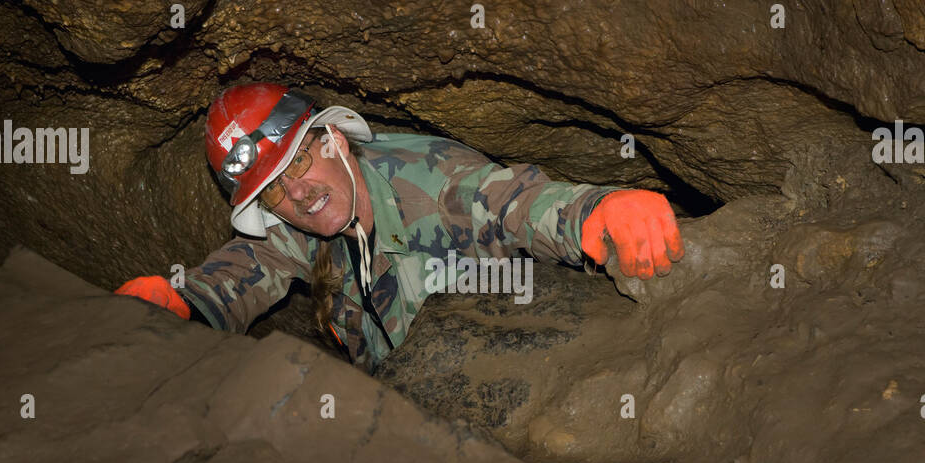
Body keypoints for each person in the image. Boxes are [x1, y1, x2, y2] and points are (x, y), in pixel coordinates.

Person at [116, 82, 685, 373]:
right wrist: (180, 302)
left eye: (298, 164)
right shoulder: (299, 224)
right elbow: (248, 266)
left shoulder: (430, 180)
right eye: (273, 192)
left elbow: (508, 199)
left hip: (510, 384)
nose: (297, 195)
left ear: (333, 140)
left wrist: (596, 210)